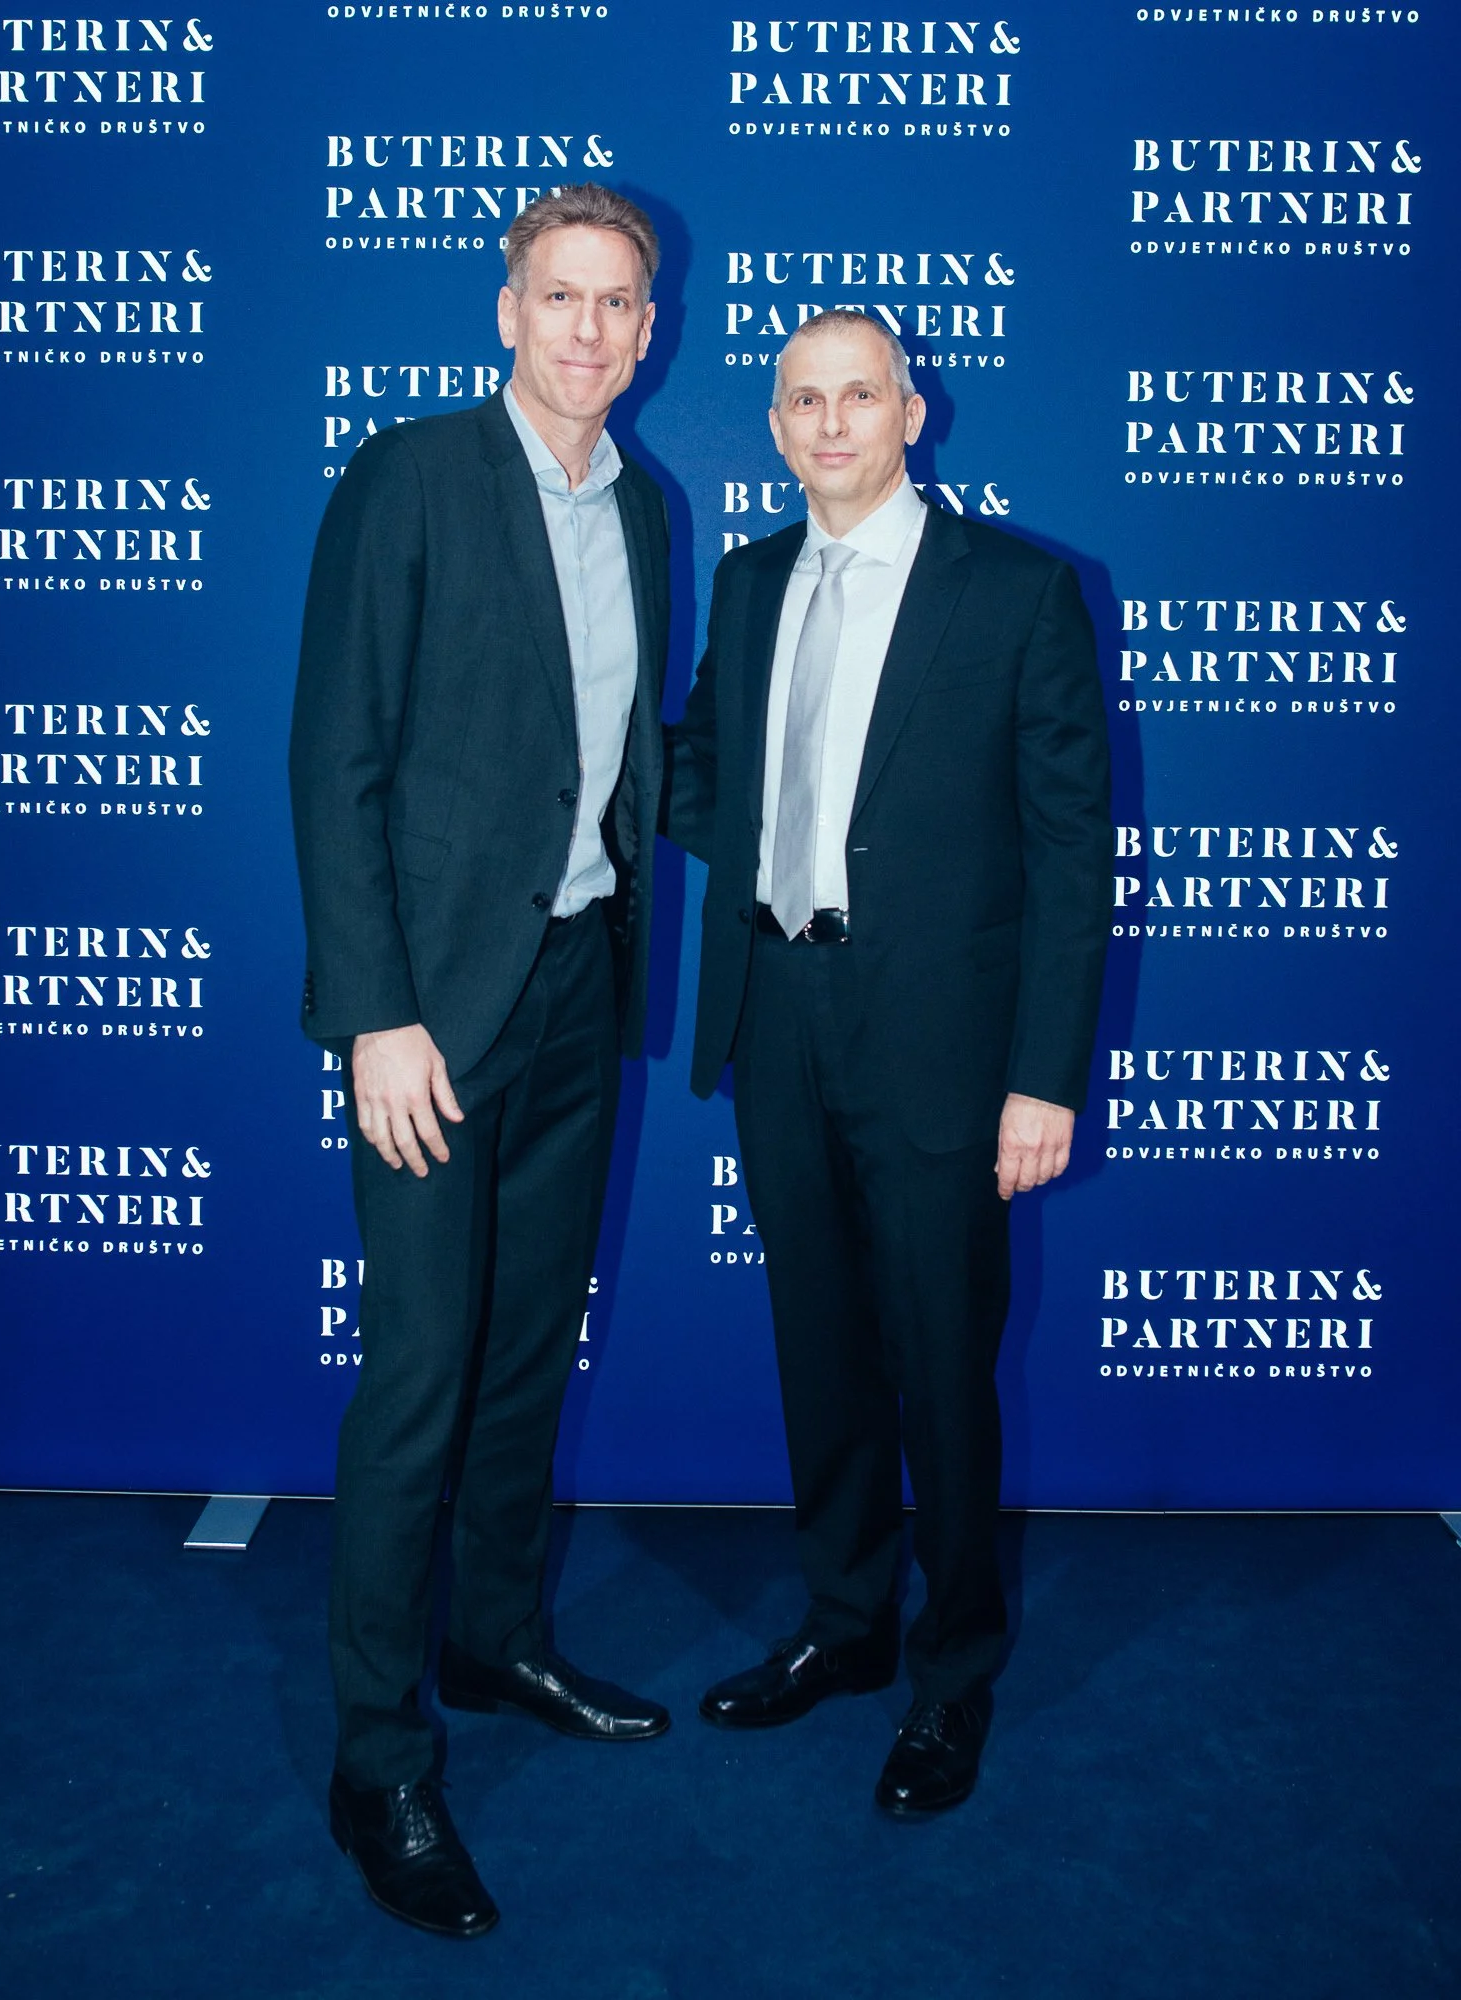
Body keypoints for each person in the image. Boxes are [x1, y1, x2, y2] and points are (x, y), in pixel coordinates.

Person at [663, 311, 1112, 1817]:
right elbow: (709, 774)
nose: (833, 423)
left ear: (913, 413)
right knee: (823, 1348)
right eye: (805, 400)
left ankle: (953, 1671)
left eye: (861, 395)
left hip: (942, 1044)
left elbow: (1071, 855)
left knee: (942, 1362)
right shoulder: (749, 580)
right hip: (777, 1012)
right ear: (777, 426)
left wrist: (1044, 1076)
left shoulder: (1021, 592)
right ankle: (847, 1624)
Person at [289, 183, 672, 1939]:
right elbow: (337, 758)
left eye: (616, 302)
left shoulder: (644, 507)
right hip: (432, 1020)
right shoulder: (411, 477)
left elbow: (621, 759)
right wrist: (375, 1014)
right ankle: (380, 1763)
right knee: (422, 1375)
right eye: (559, 295)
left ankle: (497, 1638)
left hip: (581, 984)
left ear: (647, 333)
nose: (587, 327)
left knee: (526, 1357)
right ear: (506, 311)